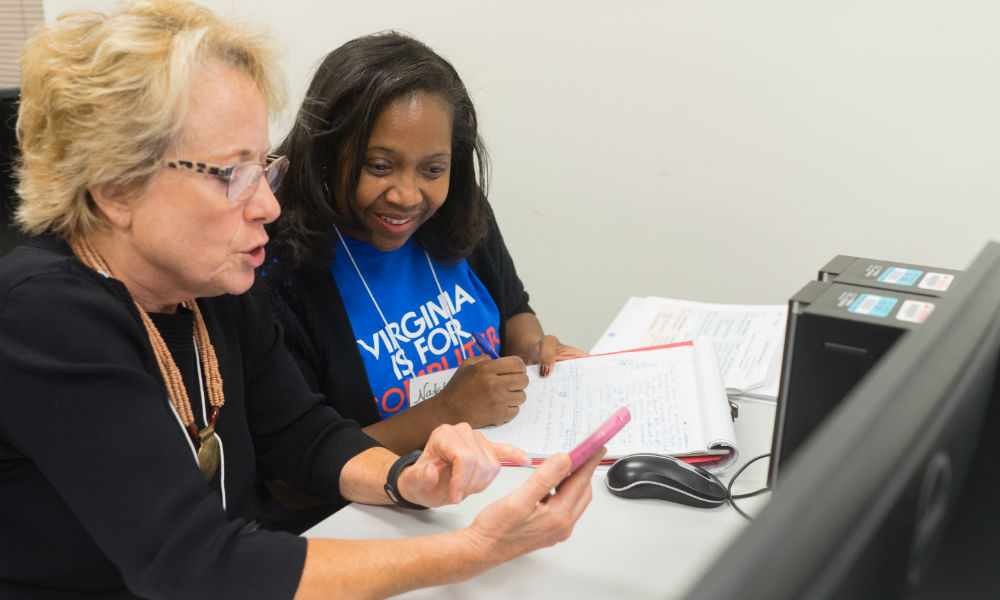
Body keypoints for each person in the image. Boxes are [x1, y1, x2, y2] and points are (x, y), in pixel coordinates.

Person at [0, 2, 602, 598]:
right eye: (232, 174)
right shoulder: (44, 314)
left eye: (264, 168)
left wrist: (406, 478)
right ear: (117, 189)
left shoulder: (210, 286)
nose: (267, 205)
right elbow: (194, 563)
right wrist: (469, 551)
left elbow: (305, 435)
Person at [260, 32, 587, 458]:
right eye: (379, 166)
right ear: (325, 152)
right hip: (372, 515)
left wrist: (533, 350)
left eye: (433, 169)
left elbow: (514, 308)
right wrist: (444, 412)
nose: (407, 196)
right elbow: (294, 477)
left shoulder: (458, 213)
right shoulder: (276, 273)